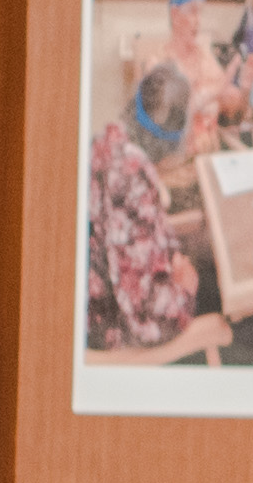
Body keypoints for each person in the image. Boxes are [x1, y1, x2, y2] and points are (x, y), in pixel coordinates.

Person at [84, 116, 222, 359]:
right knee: (224, 308)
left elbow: (133, 252)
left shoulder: (108, 145)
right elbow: (142, 313)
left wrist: (173, 257)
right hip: (118, 330)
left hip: (112, 296)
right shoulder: (131, 181)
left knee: (211, 270)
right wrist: (184, 291)